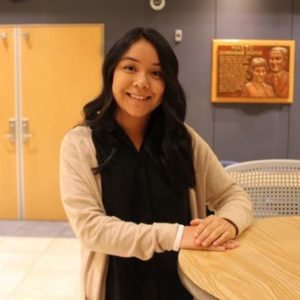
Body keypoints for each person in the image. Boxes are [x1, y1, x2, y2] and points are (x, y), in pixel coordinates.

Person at [60, 27, 253, 300]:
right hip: (117, 289)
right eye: (130, 67)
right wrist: (175, 236)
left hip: (186, 286)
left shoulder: (183, 139)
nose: (141, 82)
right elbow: (90, 228)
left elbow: (233, 195)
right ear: (111, 72)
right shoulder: (80, 144)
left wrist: (228, 221)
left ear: (167, 84)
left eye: (156, 73)